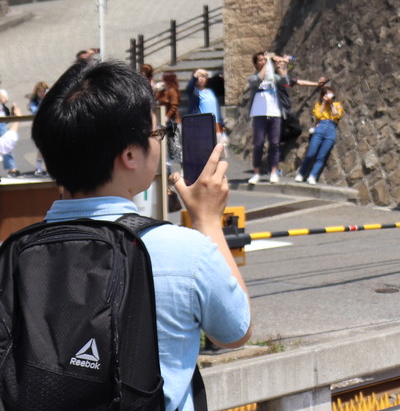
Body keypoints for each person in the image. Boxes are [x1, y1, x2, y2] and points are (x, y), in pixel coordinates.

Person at [31, 59, 250, 411]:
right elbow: (236, 330)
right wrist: (207, 220)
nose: (159, 143)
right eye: (157, 134)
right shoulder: (184, 252)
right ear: (130, 155)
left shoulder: (15, 256)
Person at [243, 52, 285, 185]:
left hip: (275, 113)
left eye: (263, 59)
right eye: (260, 60)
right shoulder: (253, 78)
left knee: (274, 143)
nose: (263, 61)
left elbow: (285, 80)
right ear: (256, 64)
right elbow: (259, 78)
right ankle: (256, 173)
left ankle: (273, 171)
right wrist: (267, 62)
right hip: (259, 113)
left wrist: (280, 65)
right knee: (258, 143)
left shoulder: (273, 78)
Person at [295, 81, 341, 185]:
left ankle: (312, 176)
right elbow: (318, 115)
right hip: (320, 128)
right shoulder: (319, 105)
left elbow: (336, 115)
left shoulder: (337, 105)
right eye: (325, 94)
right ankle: (301, 173)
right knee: (311, 153)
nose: (327, 96)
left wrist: (331, 103)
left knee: (321, 156)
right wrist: (324, 103)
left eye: (329, 94)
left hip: (331, 130)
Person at [156, 71, 182, 162]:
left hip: (172, 121)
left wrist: (166, 117)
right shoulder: (163, 91)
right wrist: (157, 90)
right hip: (163, 121)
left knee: (175, 145)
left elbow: (174, 106)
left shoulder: (172, 91)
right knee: (163, 146)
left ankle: (182, 168)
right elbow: (156, 100)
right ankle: (167, 167)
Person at [28, 81, 47, 176]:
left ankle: (50, 169)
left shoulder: (50, 99)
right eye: (40, 91)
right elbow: (34, 111)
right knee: (41, 147)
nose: (42, 93)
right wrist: (42, 103)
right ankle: (38, 168)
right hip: (39, 127)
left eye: (44, 91)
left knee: (50, 148)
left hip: (49, 126)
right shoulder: (34, 101)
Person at [0, 88, 17, 175]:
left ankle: (11, 168)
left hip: (1, 121)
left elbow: (4, 100)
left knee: (6, 144)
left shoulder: (1, 92)